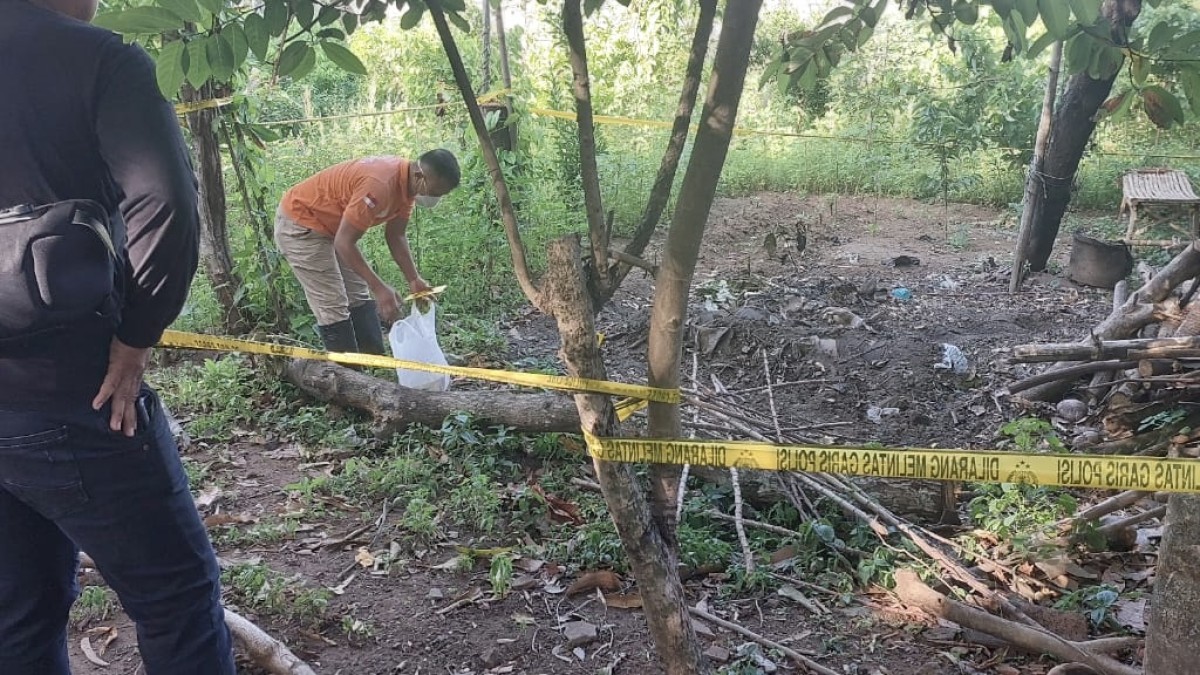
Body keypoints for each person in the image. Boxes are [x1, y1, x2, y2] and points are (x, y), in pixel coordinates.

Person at [0, 0, 235, 673]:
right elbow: (165, 203)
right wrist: (136, 339)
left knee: (19, 611)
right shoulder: (100, 58)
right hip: (77, 396)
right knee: (178, 598)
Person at [275, 150, 460, 354]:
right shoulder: (379, 185)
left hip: (335, 227)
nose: (434, 198)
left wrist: (413, 279)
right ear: (420, 176)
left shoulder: (407, 187)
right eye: (434, 192)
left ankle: (374, 361)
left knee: (358, 294)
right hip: (301, 222)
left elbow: (395, 236)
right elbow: (345, 243)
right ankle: (350, 379)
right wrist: (380, 288)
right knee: (332, 304)